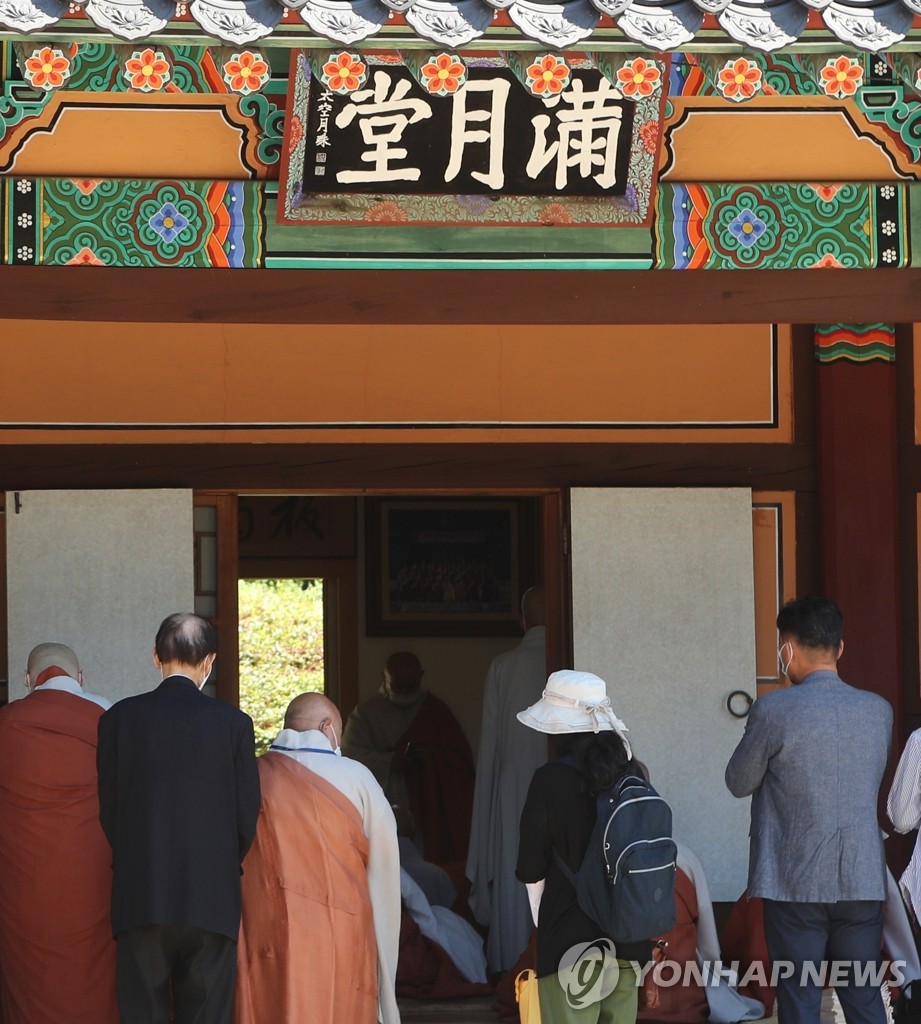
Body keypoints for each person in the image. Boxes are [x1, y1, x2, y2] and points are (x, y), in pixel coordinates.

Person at [725, 595, 892, 1024]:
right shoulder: (879, 711)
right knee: (863, 995)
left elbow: (738, 782)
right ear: (840, 648)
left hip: (793, 877)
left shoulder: (773, 710)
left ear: (788, 649)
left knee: (798, 1000)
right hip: (860, 876)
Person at [97, 613, 261, 1024]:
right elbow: (246, 816)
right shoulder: (234, 724)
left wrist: (136, 856)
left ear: (156, 658)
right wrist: (220, 863)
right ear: (209, 661)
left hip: (141, 891)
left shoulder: (118, 719)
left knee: (142, 1014)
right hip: (211, 896)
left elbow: (110, 811)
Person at [235, 692, 401, 1024]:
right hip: (339, 932)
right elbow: (384, 872)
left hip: (266, 932)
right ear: (328, 728)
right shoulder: (357, 777)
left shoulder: (249, 776)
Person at [516, 669, 648, 1024]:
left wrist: (546, 926)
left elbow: (530, 867)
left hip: (570, 945)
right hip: (629, 940)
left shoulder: (550, 780)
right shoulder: (634, 772)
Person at [0, 643, 117, 1024]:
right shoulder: (108, 719)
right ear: (81, 678)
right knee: (94, 973)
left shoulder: (8, 722)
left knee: (31, 977)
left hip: (23, 879)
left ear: (27, 680)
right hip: (93, 875)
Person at [467, 585, 548, 973]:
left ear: (522, 622)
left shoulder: (504, 666)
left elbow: (490, 747)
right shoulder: (572, 661)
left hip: (514, 786)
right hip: (565, 789)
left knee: (515, 858)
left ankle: (512, 965)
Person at [342, 650, 475, 865]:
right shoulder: (365, 715)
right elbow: (350, 759)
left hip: (427, 808)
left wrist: (432, 759)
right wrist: (389, 761)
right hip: (384, 804)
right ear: (383, 677)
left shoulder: (436, 712)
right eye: (398, 686)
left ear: (421, 677)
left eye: (410, 686)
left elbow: (460, 762)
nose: (404, 692)